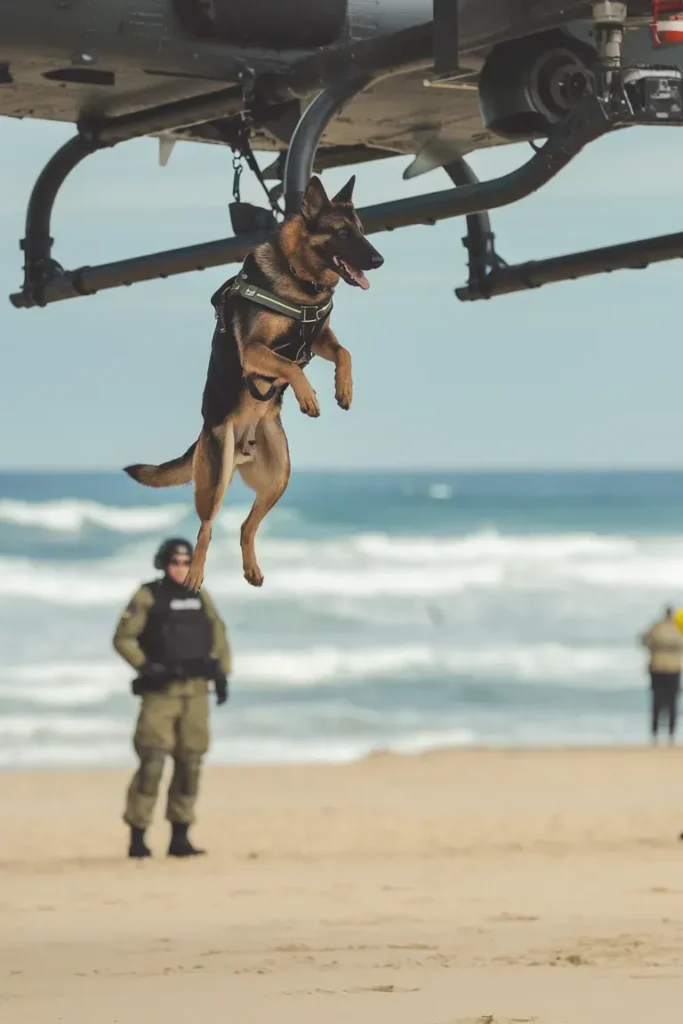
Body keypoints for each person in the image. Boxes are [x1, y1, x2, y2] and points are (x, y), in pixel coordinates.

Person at [113, 537, 232, 858]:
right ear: (163, 564)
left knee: (190, 763)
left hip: (195, 693)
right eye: (175, 563)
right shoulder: (148, 595)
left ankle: (180, 836)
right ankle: (138, 836)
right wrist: (146, 667)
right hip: (161, 692)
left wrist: (221, 674)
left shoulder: (199, 594)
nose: (180, 569)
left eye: (186, 563)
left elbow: (217, 632)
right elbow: (123, 638)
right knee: (152, 761)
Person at [639, 605, 683, 745]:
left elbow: (644, 640)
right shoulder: (679, 629)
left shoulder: (657, 628)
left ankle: (655, 734)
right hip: (673, 669)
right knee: (672, 703)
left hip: (657, 667)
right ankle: (671, 734)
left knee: (657, 702)